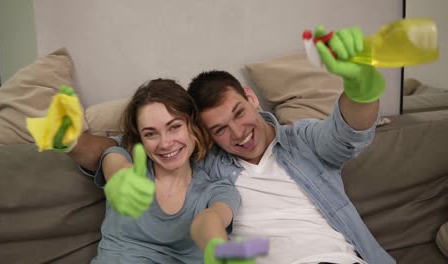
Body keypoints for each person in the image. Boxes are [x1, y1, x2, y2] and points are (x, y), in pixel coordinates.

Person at [59, 26, 395, 264]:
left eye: (239, 113)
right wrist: (81, 144)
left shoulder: (301, 141)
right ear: (203, 133)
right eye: (219, 129)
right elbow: (113, 151)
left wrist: (360, 87)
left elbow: (346, 133)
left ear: (251, 98)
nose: (238, 133)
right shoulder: (207, 165)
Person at [88, 79, 244, 264]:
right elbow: (115, 164)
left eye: (175, 127)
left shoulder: (219, 190)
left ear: (193, 126)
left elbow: (211, 219)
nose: (165, 143)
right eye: (150, 133)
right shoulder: (125, 163)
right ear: (141, 139)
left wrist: (216, 244)